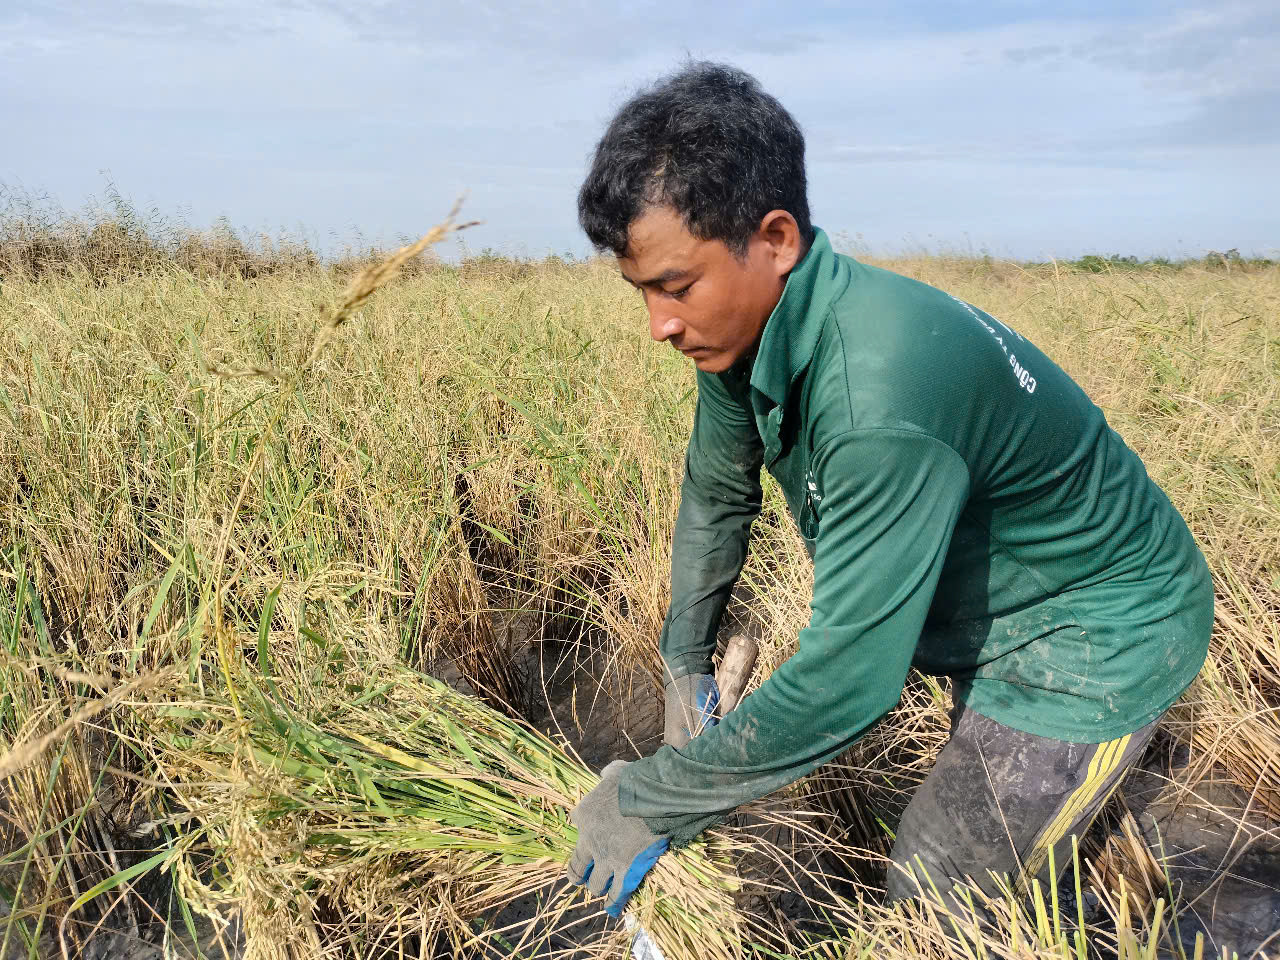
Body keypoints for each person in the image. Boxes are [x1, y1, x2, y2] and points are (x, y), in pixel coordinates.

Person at [564, 61, 1213, 919]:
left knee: (941, 889)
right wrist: (686, 663)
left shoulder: (876, 397)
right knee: (1013, 846)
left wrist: (654, 798)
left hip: (1096, 632)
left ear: (777, 237)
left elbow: (849, 682)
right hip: (1003, 598)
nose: (661, 326)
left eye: (676, 288)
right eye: (641, 293)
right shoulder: (745, 331)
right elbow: (717, 493)